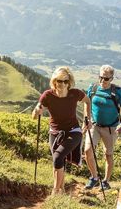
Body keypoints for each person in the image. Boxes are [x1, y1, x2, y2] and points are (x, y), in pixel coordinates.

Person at [33, 66, 92, 195]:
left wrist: (87, 119)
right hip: (55, 132)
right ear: (54, 81)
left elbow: (88, 101)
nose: (62, 84)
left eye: (65, 81)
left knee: (58, 156)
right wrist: (37, 111)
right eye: (60, 81)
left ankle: (55, 191)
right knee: (59, 160)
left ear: (69, 82)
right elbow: (35, 113)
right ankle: (62, 190)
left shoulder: (75, 93)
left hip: (74, 131)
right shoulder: (48, 95)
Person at [84, 65, 121, 190]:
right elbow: (87, 102)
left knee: (108, 154)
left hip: (111, 128)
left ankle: (105, 181)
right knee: (88, 150)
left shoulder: (117, 91)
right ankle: (94, 177)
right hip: (94, 126)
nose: (102, 81)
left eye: (106, 79)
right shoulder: (93, 88)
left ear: (111, 79)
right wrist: (86, 119)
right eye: (100, 77)